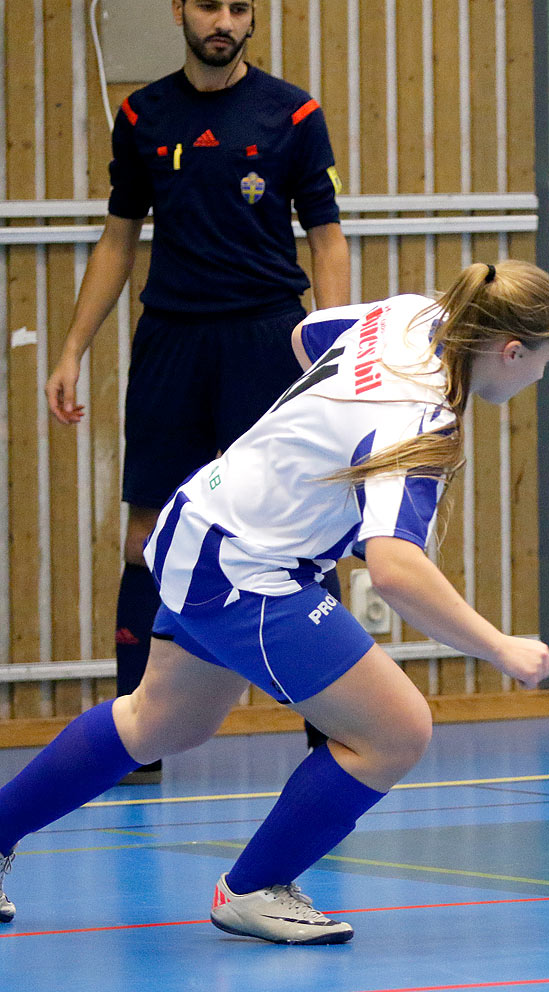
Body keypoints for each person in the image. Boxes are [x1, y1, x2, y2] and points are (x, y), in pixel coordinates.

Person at [0, 261, 549, 943]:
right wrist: (499, 645)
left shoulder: (413, 314)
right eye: (547, 362)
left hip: (202, 521)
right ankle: (252, 889)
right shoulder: (421, 422)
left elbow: (309, 335)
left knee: (160, 721)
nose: (541, 378)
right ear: (511, 352)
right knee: (396, 730)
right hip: (249, 567)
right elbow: (394, 568)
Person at [44, 0, 351, 779]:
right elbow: (119, 237)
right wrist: (72, 348)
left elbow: (326, 237)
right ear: (181, 10)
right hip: (172, 342)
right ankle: (131, 742)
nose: (224, 22)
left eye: (239, 9)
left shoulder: (295, 112)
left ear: (254, 19)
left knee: (303, 526)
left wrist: (333, 349)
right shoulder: (141, 114)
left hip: (268, 339)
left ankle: (334, 720)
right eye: (210, 6)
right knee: (148, 533)